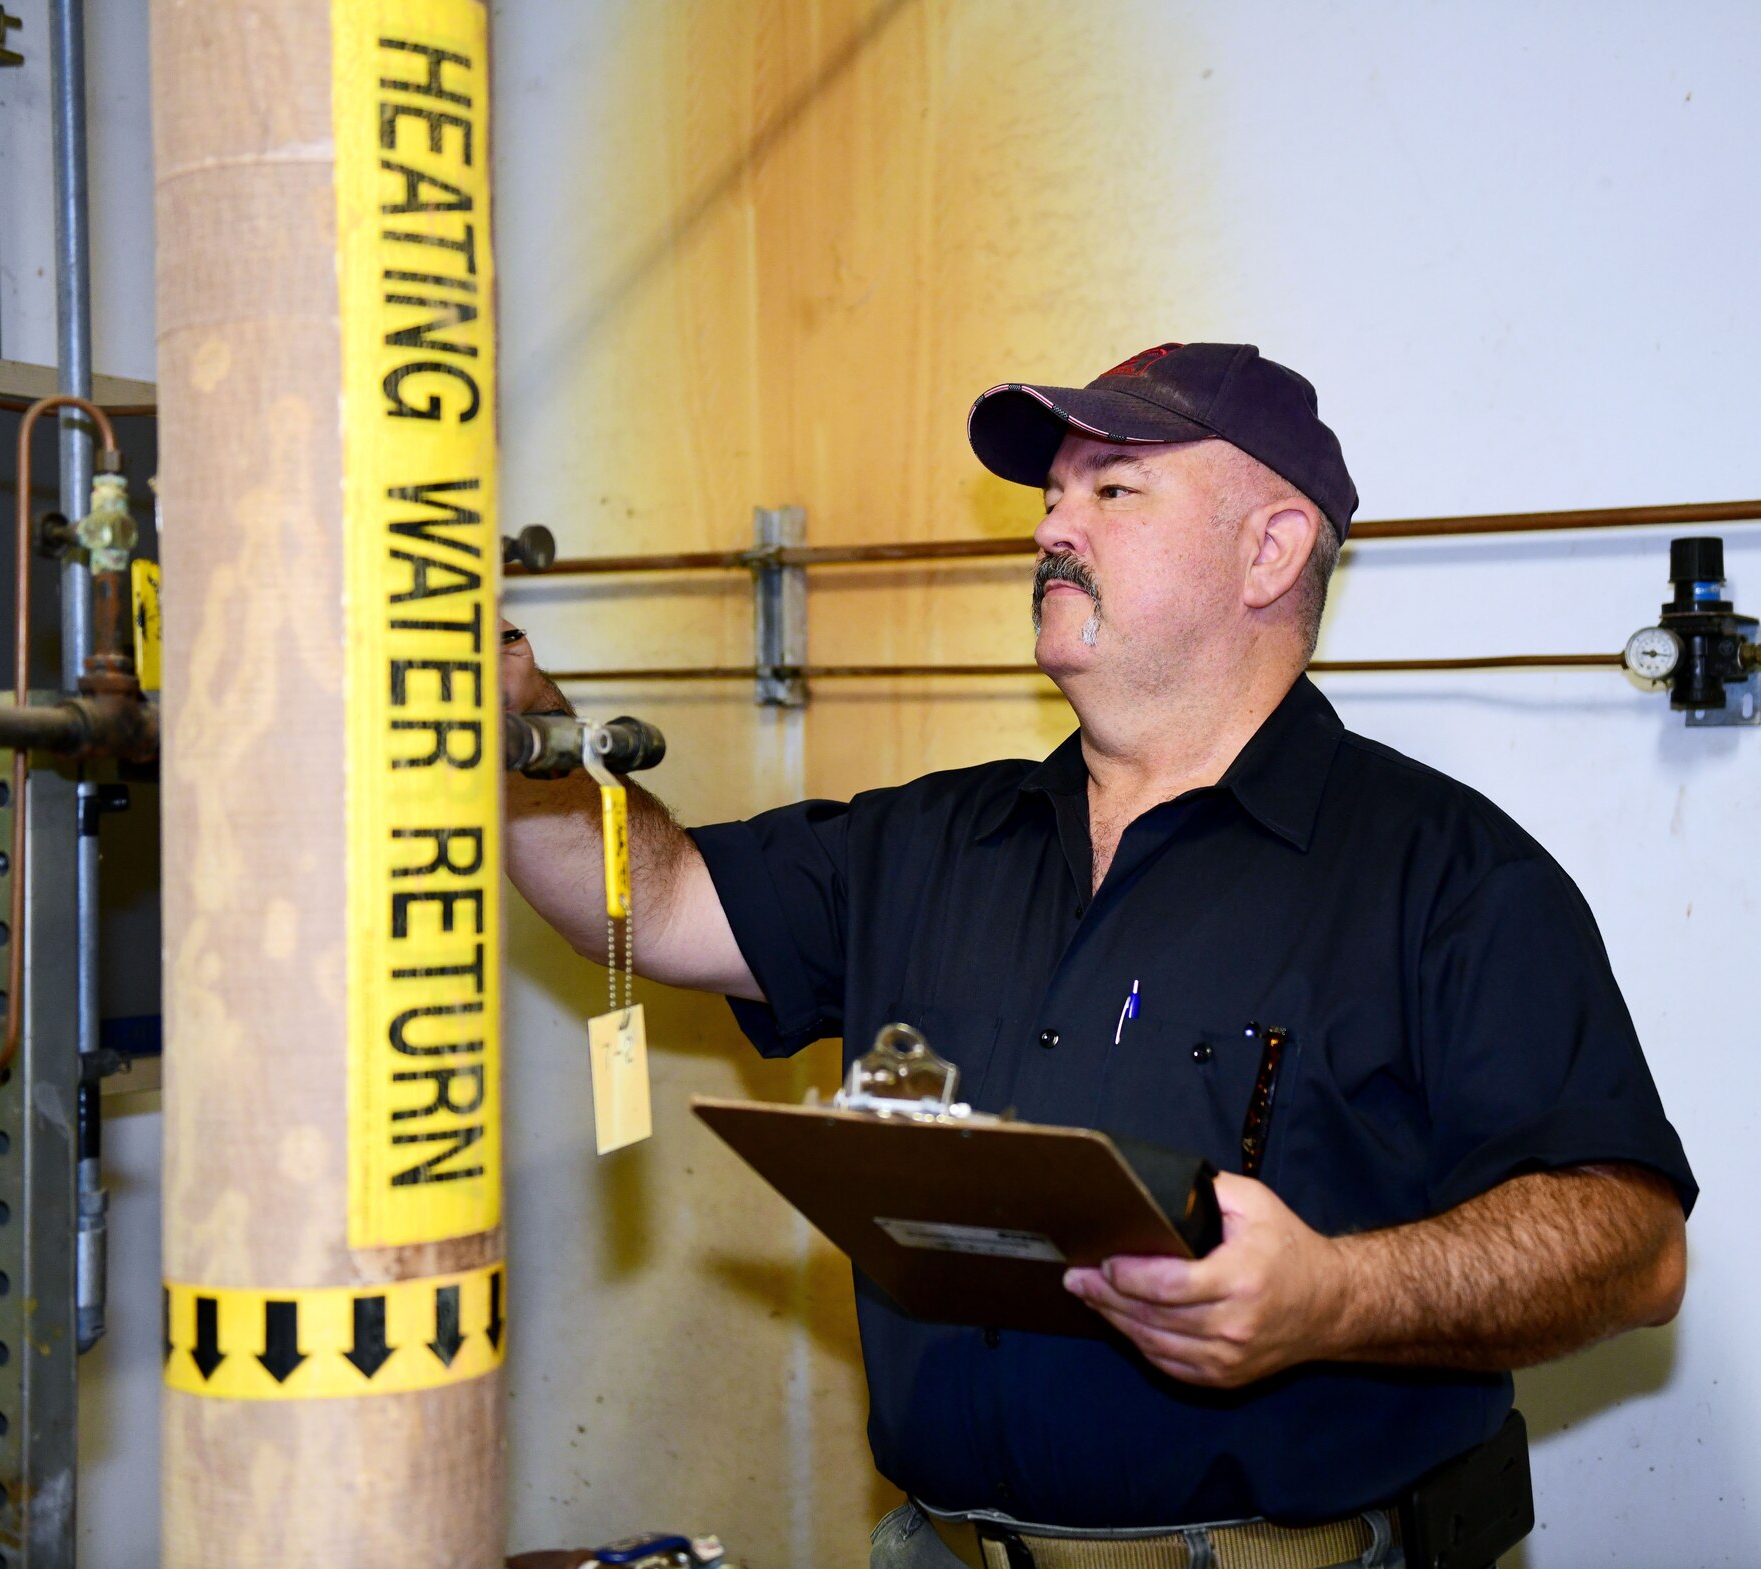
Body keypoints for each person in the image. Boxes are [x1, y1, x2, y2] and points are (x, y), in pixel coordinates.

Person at [502, 343, 1694, 1569]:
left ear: (1268, 550)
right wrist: (515, 730)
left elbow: (1630, 1246)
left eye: (1111, 489)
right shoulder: (929, 840)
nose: (1050, 529)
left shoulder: (1445, 876)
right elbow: (649, 907)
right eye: (1049, 495)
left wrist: (1329, 1295)